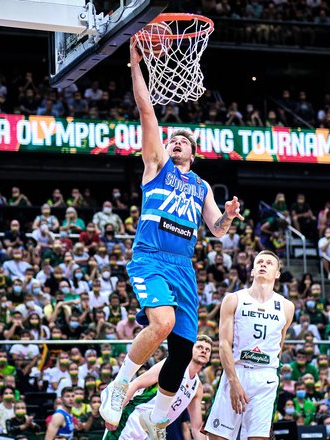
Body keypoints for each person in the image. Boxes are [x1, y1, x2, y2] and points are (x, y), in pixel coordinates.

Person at [100, 41, 244, 437]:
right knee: (162, 324)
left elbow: (215, 230)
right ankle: (118, 385)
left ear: (193, 155)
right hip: (151, 256)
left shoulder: (200, 186)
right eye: (172, 139)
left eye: (183, 141)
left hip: (183, 267)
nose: (176, 142)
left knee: (181, 351)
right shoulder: (155, 168)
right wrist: (134, 64)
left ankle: (155, 414)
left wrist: (227, 218)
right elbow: (147, 110)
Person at [205, 251, 295, 440]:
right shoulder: (233, 299)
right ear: (252, 270)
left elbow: (279, 345)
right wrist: (233, 381)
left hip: (266, 376)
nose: (263, 265)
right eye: (259, 262)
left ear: (277, 273)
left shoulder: (287, 306)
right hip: (237, 371)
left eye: (269, 263)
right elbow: (223, 345)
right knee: (217, 437)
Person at [103, 335, 212, 440]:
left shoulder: (197, 388)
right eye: (199, 347)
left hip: (151, 432)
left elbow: (196, 428)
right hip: (132, 419)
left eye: (208, 350)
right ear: (190, 349)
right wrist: (115, 412)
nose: (204, 351)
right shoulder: (171, 365)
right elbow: (136, 383)